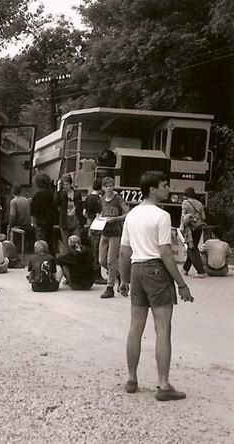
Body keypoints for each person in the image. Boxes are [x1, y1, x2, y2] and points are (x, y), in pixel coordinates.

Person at [119, 171, 194, 401]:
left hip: (137, 269)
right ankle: (163, 385)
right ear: (152, 189)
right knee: (163, 329)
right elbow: (165, 252)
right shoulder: (161, 216)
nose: (168, 189)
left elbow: (124, 251)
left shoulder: (131, 215)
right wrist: (182, 284)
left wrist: (123, 280)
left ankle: (132, 378)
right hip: (156, 270)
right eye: (164, 185)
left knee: (135, 327)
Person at [99, 177, 129, 299]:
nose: (109, 188)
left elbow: (127, 213)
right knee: (102, 260)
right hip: (104, 231)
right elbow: (99, 214)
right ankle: (118, 274)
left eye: (110, 186)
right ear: (103, 188)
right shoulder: (101, 200)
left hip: (115, 233)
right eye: (106, 186)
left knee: (111, 260)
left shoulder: (118, 199)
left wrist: (116, 219)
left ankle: (109, 287)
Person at [180, 187, 206, 278]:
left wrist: (184, 224)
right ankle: (185, 269)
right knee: (192, 248)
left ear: (186, 195)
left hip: (189, 229)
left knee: (192, 249)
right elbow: (204, 217)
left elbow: (183, 216)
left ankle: (200, 271)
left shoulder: (185, 203)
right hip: (198, 228)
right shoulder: (199, 203)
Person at [55, 174, 84, 253]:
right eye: (63, 185)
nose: (65, 186)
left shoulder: (77, 193)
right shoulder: (61, 194)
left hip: (75, 219)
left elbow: (80, 207)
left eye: (67, 184)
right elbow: (55, 202)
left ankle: (78, 259)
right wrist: (58, 189)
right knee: (66, 243)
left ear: (70, 184)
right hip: (65, 220)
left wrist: (81, 220)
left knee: (77, 242)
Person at [84, 178, 105, 284]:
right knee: (97, 251)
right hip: (97, 226)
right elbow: (99, 215)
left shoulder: (88, 198)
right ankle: (97, 275)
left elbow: (84, 213)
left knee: (92, 250)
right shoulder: (98, 200)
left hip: (89, 225)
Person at [31, 173, 57, 257]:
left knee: (41, 244)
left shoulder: (38, 194)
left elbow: (34, 210)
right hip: (50, 223)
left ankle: (42, 262)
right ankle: (52, 262)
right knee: (50, 244)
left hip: (40, 223)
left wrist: (33, 223)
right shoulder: (51, 193)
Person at [8, 184, 35, 253]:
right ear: (21, 191)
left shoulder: (13, 201)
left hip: (19, 227)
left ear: (12, 192)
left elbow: (12, 217)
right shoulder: (26, 200)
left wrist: (10, 226)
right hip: (28, 226)